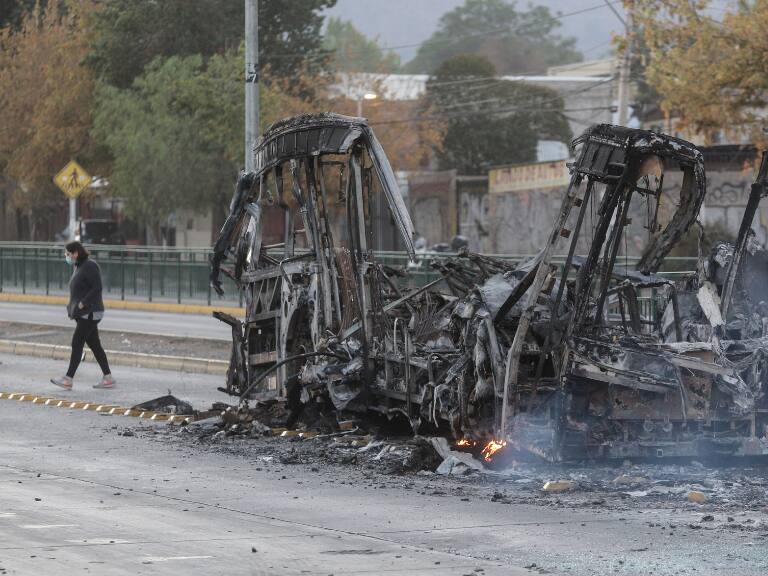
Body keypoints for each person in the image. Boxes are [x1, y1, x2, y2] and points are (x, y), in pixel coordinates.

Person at [50, 241, 116, 390]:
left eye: (68, 254)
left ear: (76, 253)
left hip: (90, 312)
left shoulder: (90, 265)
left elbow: (97, 287)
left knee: (77, 343)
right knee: (95, 345)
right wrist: (72, 306)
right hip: (85, 313)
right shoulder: (79, 266)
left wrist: (83, 303)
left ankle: (68, 379)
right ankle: (108, 378)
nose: (66, 256)